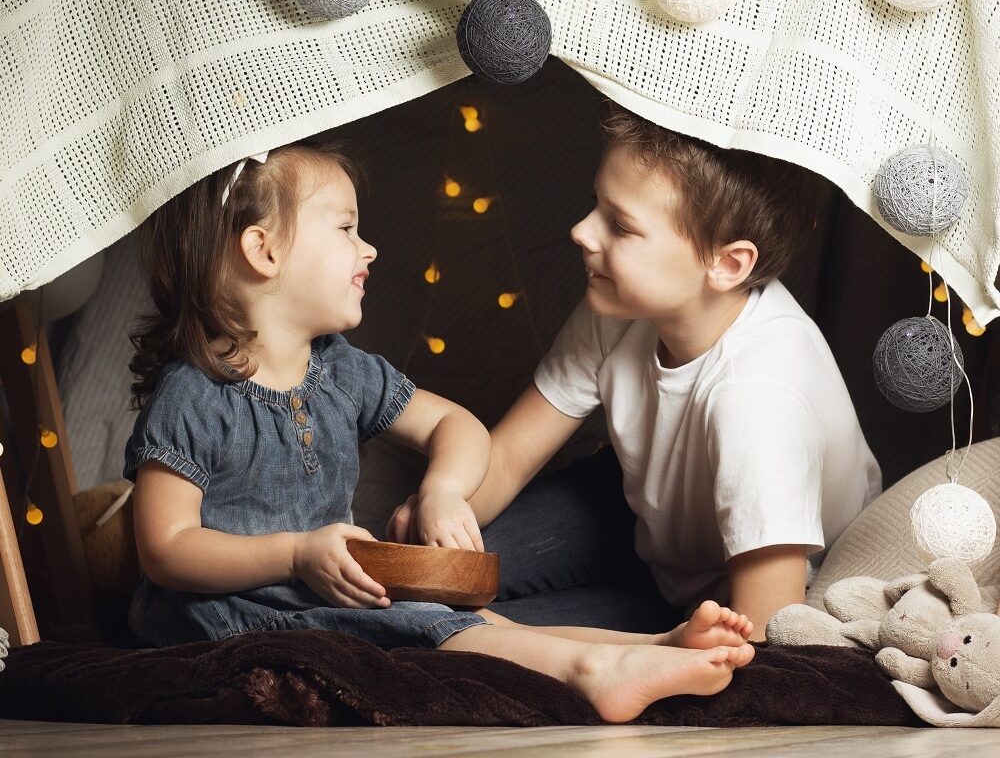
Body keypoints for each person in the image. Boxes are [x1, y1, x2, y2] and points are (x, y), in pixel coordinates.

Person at [123, 140, 754, 723]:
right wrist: (292, 553)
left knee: (455, 613)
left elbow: (457, 425)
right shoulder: (194, 393)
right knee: (424, 629)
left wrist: (444, 491)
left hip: (322, 595)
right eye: (346, 228)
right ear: (264, 252)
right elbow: (165, 546)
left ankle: (652, 644)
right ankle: (592, 671)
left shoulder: (340, 369)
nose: (367, 249)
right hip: (230, 617)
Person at [390, 103, 882, 637]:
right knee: (410, 584)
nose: (581, 231)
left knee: (438, 636)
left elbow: (767, 629)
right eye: (593, 205)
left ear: (727, 264)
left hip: (730, 597)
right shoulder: (624, 305)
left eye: (620, 225)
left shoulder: (757, 398)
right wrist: (441, 507)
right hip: (643, 518)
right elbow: (507, 457)